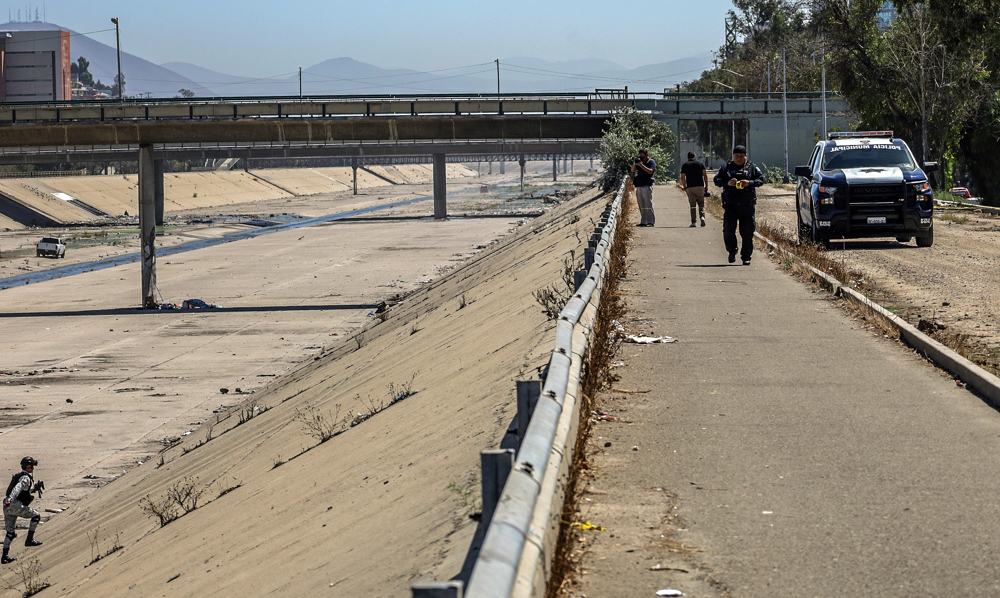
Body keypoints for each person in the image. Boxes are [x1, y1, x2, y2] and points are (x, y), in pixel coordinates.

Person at [713, 145, 764, 265]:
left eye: (741, 156)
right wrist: (728, 183)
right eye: (736, 156)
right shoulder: (726, 167)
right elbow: (716, 180)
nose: (739, 158)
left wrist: (749, 183)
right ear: (733, 156)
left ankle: (746, 257)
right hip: (731, 205)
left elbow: (761, 179)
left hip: (747, 205)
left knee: (747, 232)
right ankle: (732, 250)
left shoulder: (752, 167)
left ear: (746, 156)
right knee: (728, 230)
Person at [3, 457, 43, 564]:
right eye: (32, 466)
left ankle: (4, 557)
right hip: (15, 505)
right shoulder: (25, 478)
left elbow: (24, 491)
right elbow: (17, 488)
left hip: (6, 506)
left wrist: (34, 489)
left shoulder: (19, 476)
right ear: (28, 466)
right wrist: (11, 499)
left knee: (10, 533)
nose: (33, 468)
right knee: (36, 516)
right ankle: (29, 540)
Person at [679, 152, 709, 227]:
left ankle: (693, 222)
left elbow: (682, 176)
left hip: (690, 187)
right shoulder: (700, 164)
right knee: (701, 203)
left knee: (693, 205)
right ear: (694, 157)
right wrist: (706, 185)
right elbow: (705, 175)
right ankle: (702, 217)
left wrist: (684, 186)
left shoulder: (685, 165)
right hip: (700, 186)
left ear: (687, 157)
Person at [630, 149, 656, 227]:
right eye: (640, 156)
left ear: (646, 155)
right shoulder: (640, 162)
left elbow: (650, 171)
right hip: (639, 185)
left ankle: (651, 221)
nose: (641, 158)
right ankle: (644, 221)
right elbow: (632, 170)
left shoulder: (651, 162)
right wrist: (635, 163)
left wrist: (642, 166)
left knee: (648, 204)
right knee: (641, 204)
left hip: (647, 185)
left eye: (642, 156)